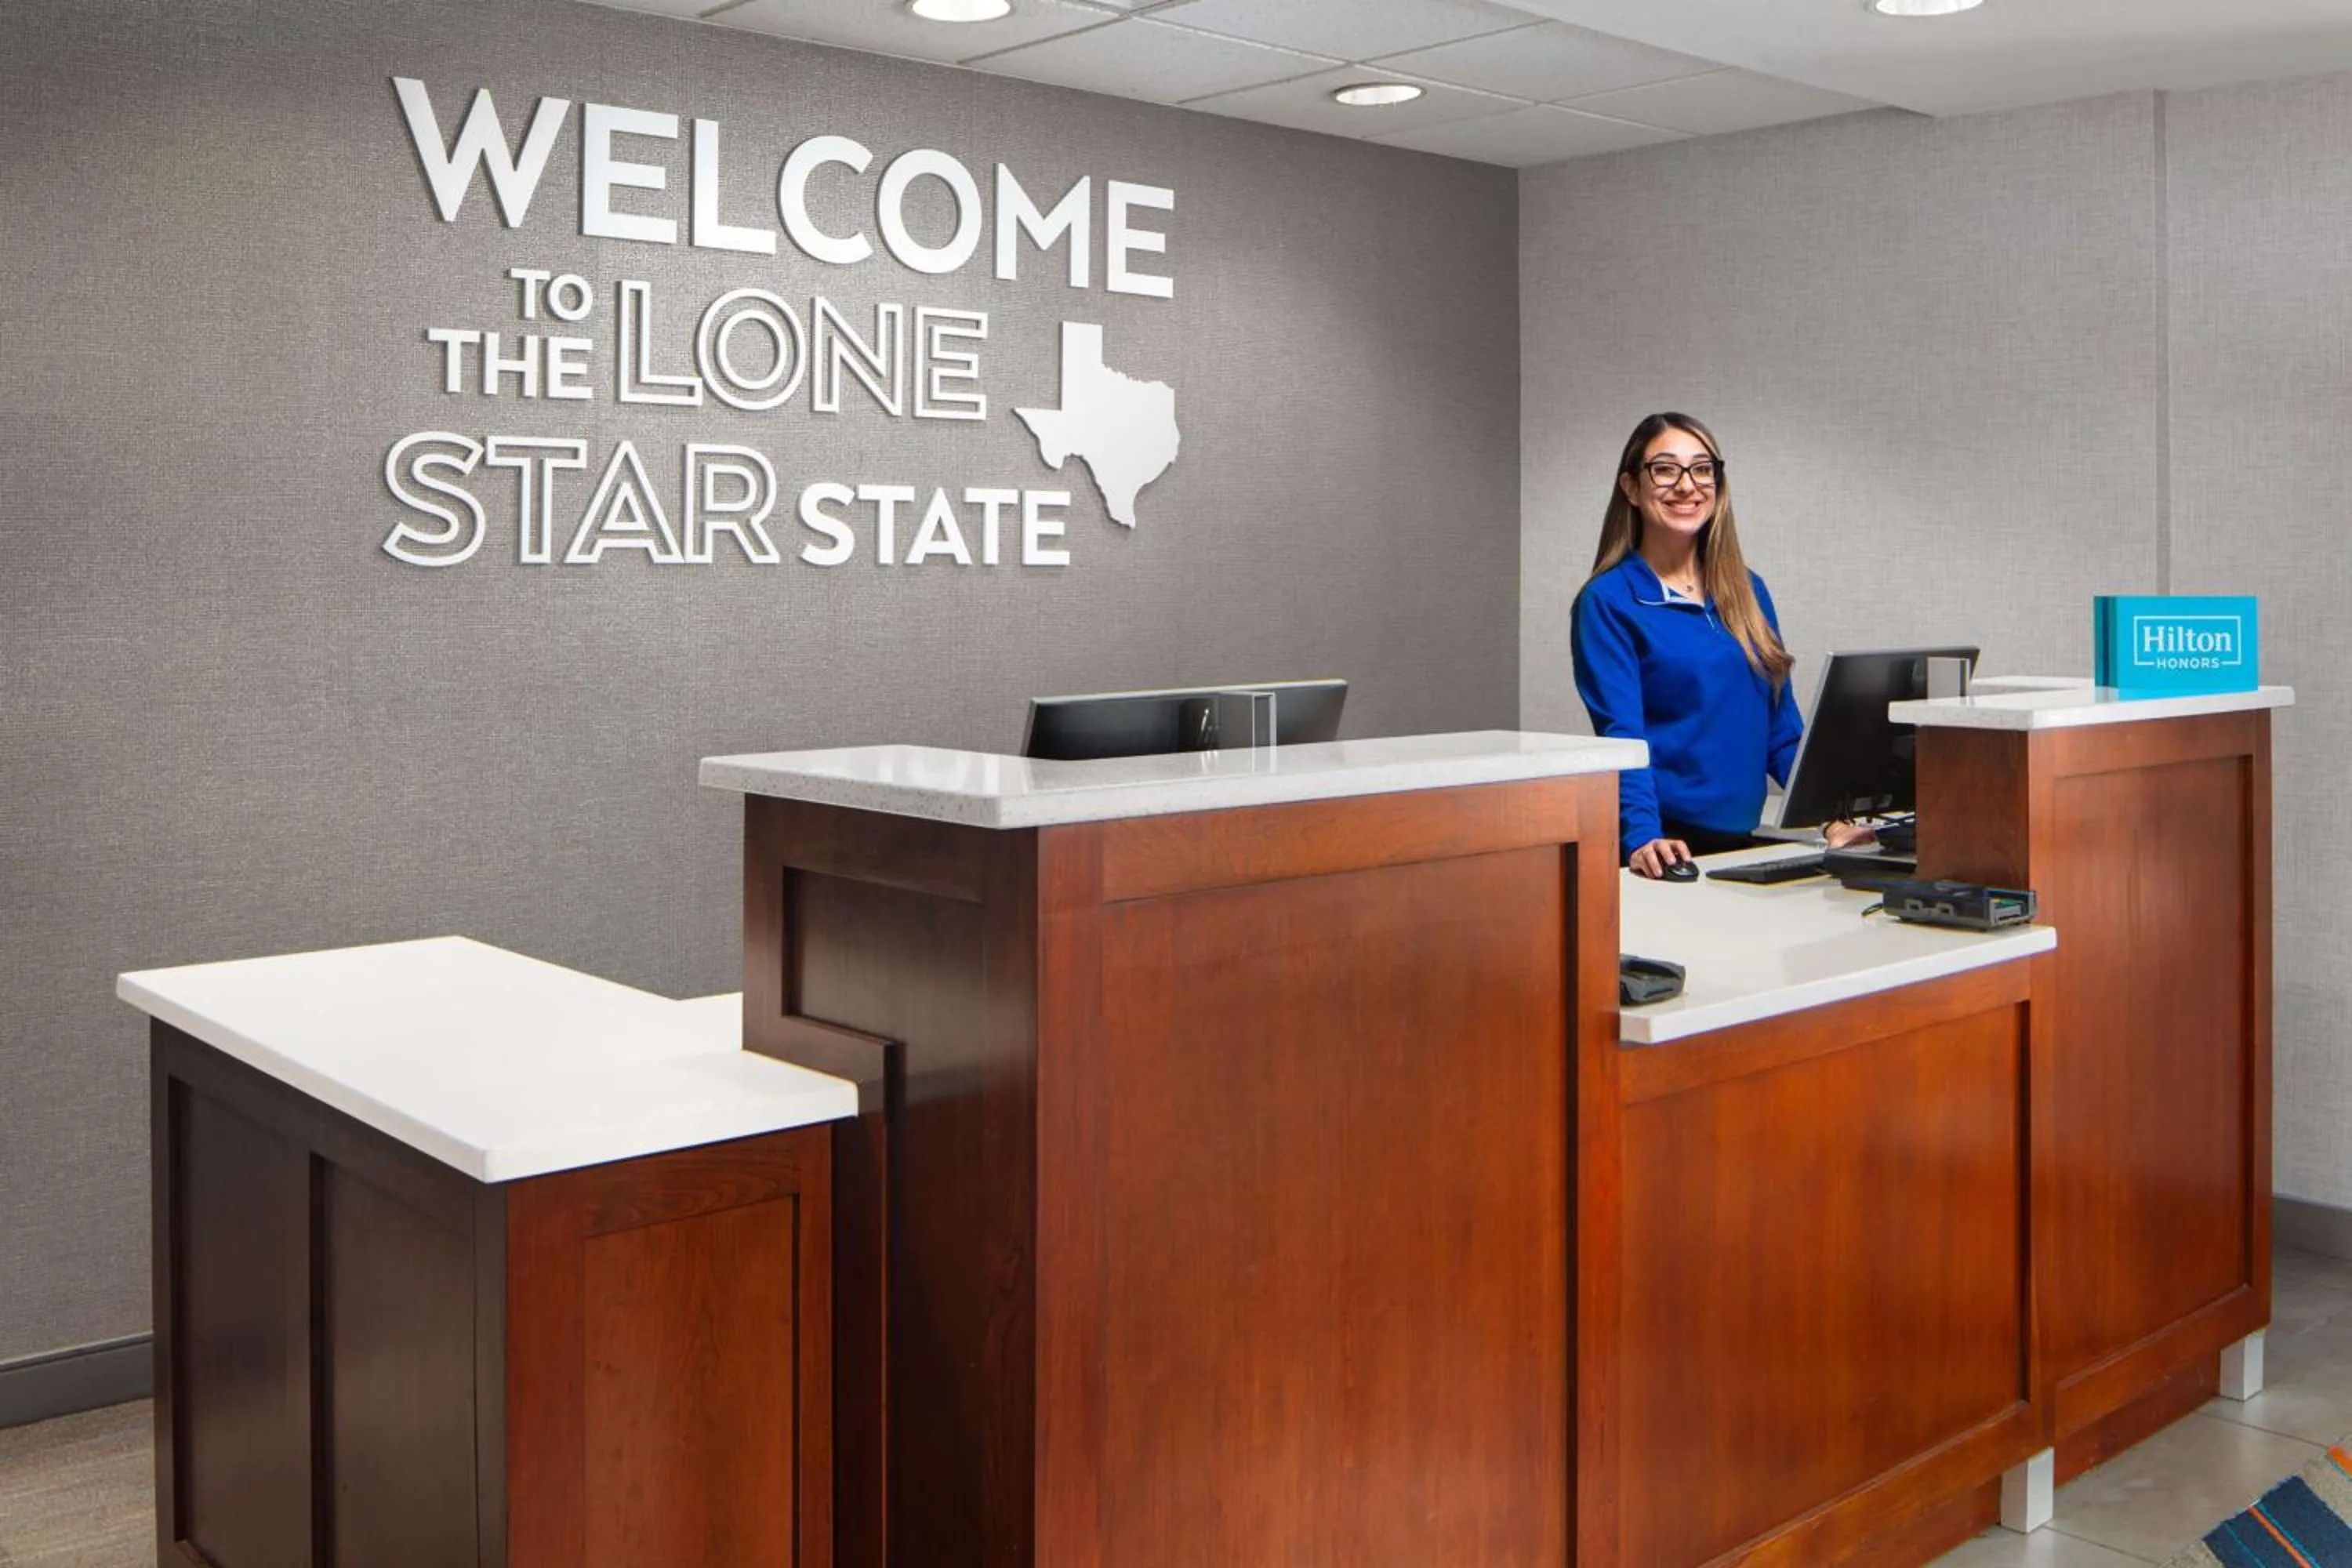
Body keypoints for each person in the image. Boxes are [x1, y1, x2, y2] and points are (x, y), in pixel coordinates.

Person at [1571, 412, 1849, 878]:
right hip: (1666, 846)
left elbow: (1781, 731)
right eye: (1665, 469)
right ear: (1631, 487)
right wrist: (1643, 837)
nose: (1688, 485)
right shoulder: (1608, 601)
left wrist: (1833, 820)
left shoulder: (1747, 590)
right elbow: (1622, 736)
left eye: (1702, 469)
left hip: (1742, 842)